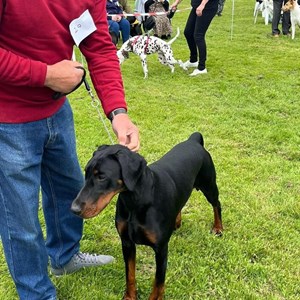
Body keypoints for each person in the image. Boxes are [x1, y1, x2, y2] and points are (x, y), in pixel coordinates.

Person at [0, 1, 140, 300]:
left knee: (69, 189)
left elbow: (99, 47)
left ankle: (64, 257)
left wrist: (118, 111)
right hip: (7, 119)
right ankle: (36, 293)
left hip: (56, 111)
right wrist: (44, 74)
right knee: (20, 217)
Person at [171, 0, 218, 76]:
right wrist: (176, 3)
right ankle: (193, 60)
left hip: (208, 7)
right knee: (188, 32)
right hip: (197, 6)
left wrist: (202, 5)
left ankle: (202, 68)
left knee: (198, 35)